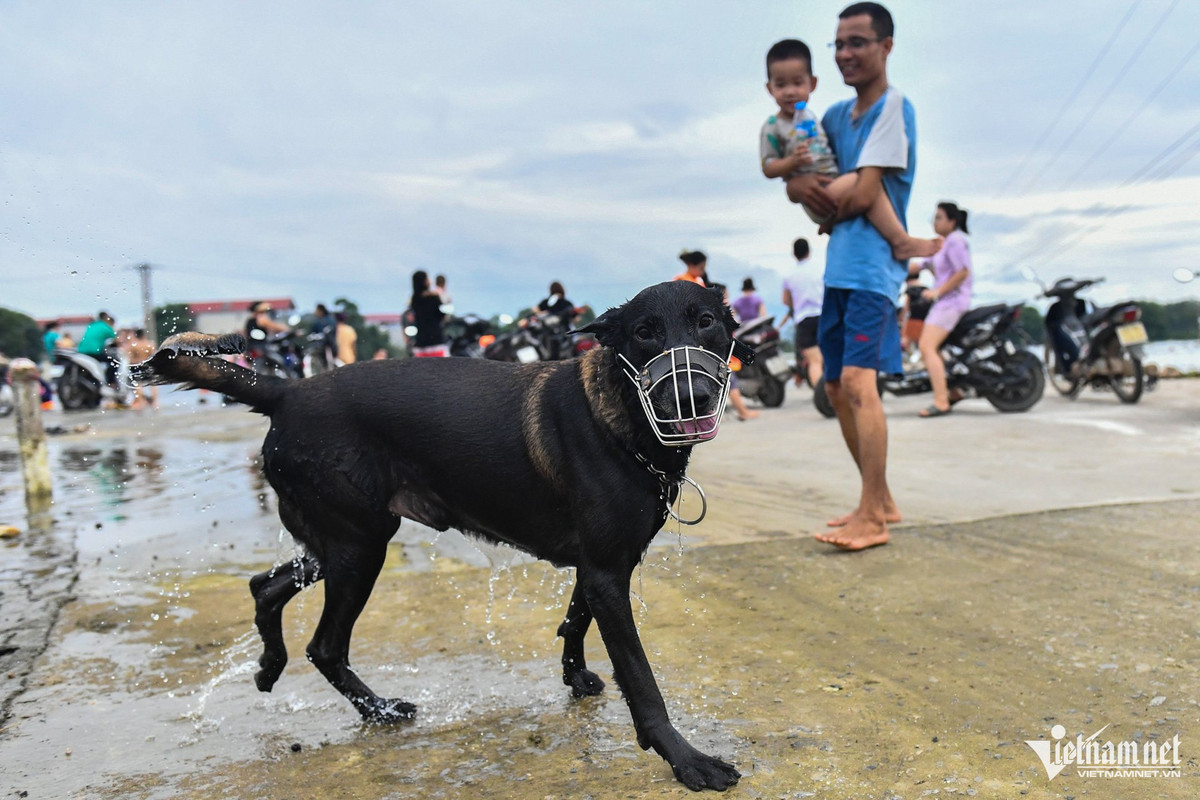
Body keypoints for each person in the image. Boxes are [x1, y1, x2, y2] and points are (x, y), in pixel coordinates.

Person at [792, 2, 913, 551]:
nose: (845, 54)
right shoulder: (835, 118)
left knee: (861, 385)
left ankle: (874, 517)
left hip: (873, 271)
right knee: (837, 386)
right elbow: (805, 185)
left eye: (858, 42)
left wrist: (819, 198)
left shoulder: (893, 108)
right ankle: (879, 498)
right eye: (838, 44)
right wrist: (802, 190)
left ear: (886, 46)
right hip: (838, 267)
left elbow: (864, 193)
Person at [760, 37, 940, 262]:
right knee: (862, 182)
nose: (790, 92)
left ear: (812, 84)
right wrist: (791, 167)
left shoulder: (813, 118)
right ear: (769, 88)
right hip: (819, 192)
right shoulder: (772, 127)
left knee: (866, 186)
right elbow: (768, 166)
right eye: (781, 85)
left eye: (797, 83)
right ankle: (900, 240)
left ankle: (842, 224)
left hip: (831, 185)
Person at [672, 253, 758, 420]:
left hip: (704, 340)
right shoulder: (682, 281)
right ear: (693, 265)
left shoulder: (697, 281)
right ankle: (742, 411)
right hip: (695, 342)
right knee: (724, 374)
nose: (703, 271)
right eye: (702, 267)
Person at [910, 201, 973, 417]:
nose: (934, 222)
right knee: (936, 350)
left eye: (938, 217)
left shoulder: (955, 241)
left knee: (926, 347)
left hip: (952, 302)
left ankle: (941, 401)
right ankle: (953, 391)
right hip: (944, 303)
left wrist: (937, 291)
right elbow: (918, 265)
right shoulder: (941, 243)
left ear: (952, 221)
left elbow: (962, 272)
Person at [781, 238, 824, 388]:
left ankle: (822, 397)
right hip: (823, 317)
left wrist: (797, 305)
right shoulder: (820, 269)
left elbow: (785, 300)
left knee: (814, 362)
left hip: (804, 320)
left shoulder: (789, 275)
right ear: (809, 251)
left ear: (794, 254)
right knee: (829, 357)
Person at [410, 270, 448, 357]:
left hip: (421, 340)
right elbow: (442, 314)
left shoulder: (415, 299)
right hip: (435, 339)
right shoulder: (434, 298)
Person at [78, 311, 118, 386]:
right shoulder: (106, 326)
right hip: (94, 352)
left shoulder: (91, 325)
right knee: (115, 362)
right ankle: (110, 382)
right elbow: (117, 340)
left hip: (81, 351)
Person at [126, 329, 158, 409]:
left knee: (138, 384)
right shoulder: (150, 344)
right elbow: (153, 356)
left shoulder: (133, 345)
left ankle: (140, 403)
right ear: (144, 335)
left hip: (136, 365)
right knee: (153, 383)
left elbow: (129, 358)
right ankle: (155, 403)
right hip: (148, 365)